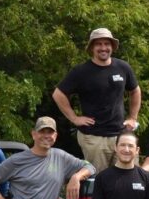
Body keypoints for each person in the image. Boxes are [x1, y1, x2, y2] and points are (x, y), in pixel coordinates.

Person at [53, 27, 141, 172]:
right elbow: (58, 94)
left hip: (121, 134)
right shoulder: (81, 71)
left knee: (129, 177)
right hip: (93, 137)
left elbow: (135, 90)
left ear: (112, 46)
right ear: (92, 47)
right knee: (98, 181)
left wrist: (133, 117)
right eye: (98, 44)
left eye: (107, 44)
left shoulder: (123, 67)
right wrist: (74, 118)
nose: (103, 48)